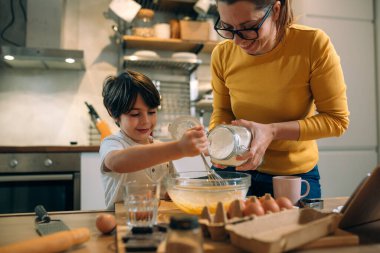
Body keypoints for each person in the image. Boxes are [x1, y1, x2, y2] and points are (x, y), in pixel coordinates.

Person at [209, 0, 349, 198]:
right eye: (227, 27)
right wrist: (218, 141)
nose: (237, 41)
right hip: (234, 172)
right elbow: (222, 110)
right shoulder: (222, 54)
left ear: (275, 10)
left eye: (248, 27)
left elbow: (336, 121)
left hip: (291, 175)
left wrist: (272, 131)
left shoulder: (312, 44)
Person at [100, 70, 208, 210]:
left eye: (151, 112)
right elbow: (117, 162)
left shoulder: (161, 149)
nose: (145, 121)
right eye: (135, 114)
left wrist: (174, 192)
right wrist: (179, 148)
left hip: (156, 221)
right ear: (114, 114)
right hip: (121, 222)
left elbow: (171, 189)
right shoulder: (113, 143)